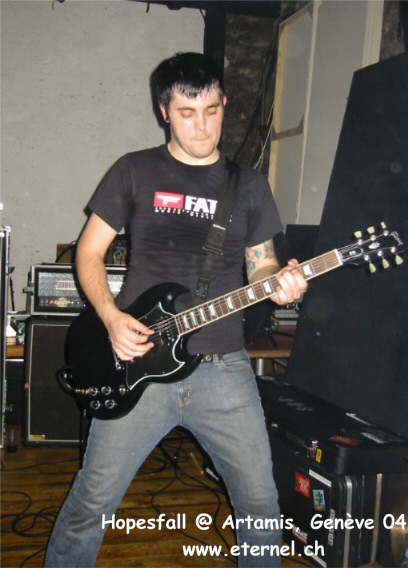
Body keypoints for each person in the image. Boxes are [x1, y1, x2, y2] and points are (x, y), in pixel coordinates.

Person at [44, 52, 308, 568]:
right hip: (138, 361)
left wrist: (280, 285)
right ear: (164, 111)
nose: (202, 125)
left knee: (261, 505)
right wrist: (111, 317)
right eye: (187, 113)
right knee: (92, 503)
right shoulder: (134, 170)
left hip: (223, 369)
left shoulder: (249, 185)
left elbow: (262, 266)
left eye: (212, 110)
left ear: (224, 104)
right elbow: (88, 253)